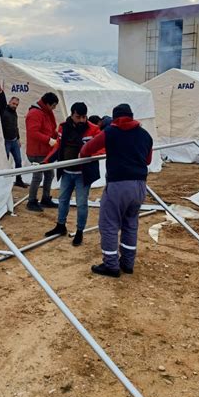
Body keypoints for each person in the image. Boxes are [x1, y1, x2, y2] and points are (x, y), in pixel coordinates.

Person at [80, 103, 153, 277]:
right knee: (130, 223)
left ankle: (111, 265)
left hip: (119, 184)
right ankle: (127, 263)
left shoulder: (111, 132)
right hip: (140, 185)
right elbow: (148, 160)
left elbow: (86, 150)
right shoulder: (145, 135)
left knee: (109, 224)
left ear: (115, 118)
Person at [44, 102, 101, 246]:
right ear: (72, 114)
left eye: (84, 117)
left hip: (82, 173)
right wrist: (47, 161)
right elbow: (58, 146)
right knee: (63, 200)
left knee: (82, 204)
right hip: (67, 171)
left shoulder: (93, 129)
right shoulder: (63, 127)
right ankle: (60, 226)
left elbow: (101, 148)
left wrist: (87, 152)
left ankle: (80, 231)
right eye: (78, 117)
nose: (81, 120)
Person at [25, 92, 59, 212]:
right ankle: (31, 201)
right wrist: (49, 140)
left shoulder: (46, 112)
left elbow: (49, 129)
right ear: (47, 104)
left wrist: (57, 135)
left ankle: (45, 198)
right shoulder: (35, 113)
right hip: (36, 152)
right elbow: (33, 132)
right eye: (53, 105)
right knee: (37, 176)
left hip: (44, 151)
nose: (54, 108)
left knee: (50, 174)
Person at [0, 82, 28, 188]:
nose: (15, 106)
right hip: (5, 141)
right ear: (9, 102)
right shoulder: (4, 110)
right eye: (13, 103)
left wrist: (18, 138)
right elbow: (1, 102)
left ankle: (19, 179)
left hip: (14, 141)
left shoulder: (14, 113)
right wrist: (0, 91)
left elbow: (16, 126)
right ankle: (1, 181)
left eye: (16, 104)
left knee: (18, 161)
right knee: (4, 161)